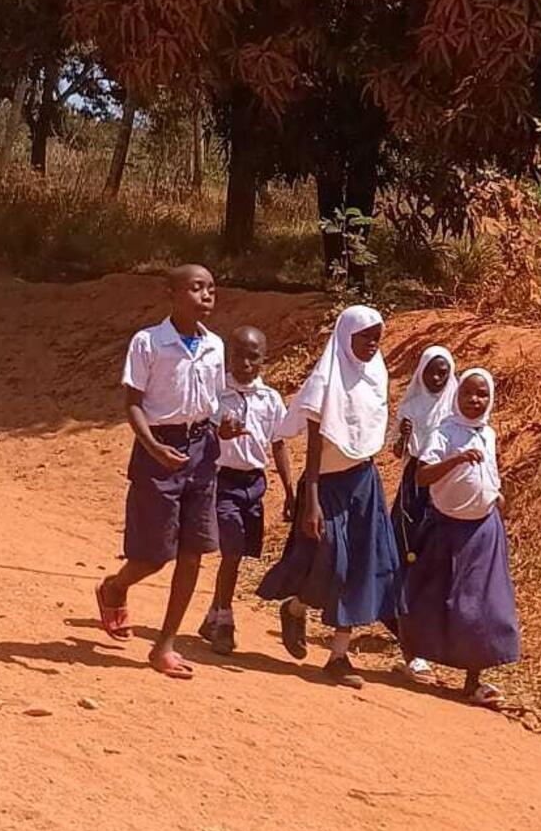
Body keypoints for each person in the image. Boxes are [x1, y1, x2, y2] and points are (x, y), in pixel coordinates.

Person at [257, 303, 401, 684]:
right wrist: (312, 502)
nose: (372, 344)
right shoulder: (327, 381)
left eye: (376, 338)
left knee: (360, 568)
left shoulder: (376, 378)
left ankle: (339, 656)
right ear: (344, 337)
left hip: (364, 484)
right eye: (364, 337)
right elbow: (315, 447)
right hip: (327, 485)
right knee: (331, 564)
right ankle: (296, 607)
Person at [97, 263, 226, 680]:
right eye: (195, 288)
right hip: (158, 448)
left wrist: (223, 426)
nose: (206, 295)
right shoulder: (149, 342)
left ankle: (164, 644)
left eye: (210, 288)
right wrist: (153, 446)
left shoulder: (215, 346)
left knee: (193, 551)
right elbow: (133, 402)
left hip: (202, 451)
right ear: (171, 293)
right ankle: (115, 586)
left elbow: (213, 401)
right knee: (155, 554)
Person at [399, 366, 521, 706]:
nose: (475, 400)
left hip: (484, 529)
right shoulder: (445, 432)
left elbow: (489, 470)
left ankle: (473, 680)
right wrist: (455, 460)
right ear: (457, 396)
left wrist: (496, 495)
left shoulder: (489, 434)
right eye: (468, 393)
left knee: (482, 603)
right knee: (431, 594)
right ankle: (415, 656)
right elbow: (423, 477)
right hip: (446, 526)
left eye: (482, 394)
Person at [201, 324, 296, 656]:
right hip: (221, 481)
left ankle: (212, 614)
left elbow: (279, 444)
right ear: (229, 356)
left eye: (252, 357)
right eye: (238, 355)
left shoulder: (270, 400)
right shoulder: (216, 396)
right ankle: (225, 622)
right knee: (231, 551)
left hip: (254, 484)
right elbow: (202, 441)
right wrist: (220, 437)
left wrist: (289, 489)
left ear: (263, 360)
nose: (244, 364)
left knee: (239, 553)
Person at [390, 344, 456, 677]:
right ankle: (398, 618)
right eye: (430, 371)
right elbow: (396, 452)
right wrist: (402, 438)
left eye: (442, 373)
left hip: (443, 483)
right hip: (415, 482)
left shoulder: (456, 408)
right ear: (420, 372)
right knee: (401, 547)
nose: (436, 378)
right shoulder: (412, 405)